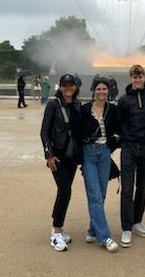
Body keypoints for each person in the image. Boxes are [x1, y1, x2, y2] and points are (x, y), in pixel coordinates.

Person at [40, 74, 82, 252]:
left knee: (64, 191)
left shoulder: (77, 104)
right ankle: (55, 231)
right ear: (60, 87)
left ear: (75, 87)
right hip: (57, 155)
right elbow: (44, 131)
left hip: (71, 155)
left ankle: (59, 228)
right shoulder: (53, 104)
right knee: (65, 190)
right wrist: (48, 155)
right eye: (65, 85)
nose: (68, 88)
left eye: (71, 85)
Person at [117, 64, 145, 247]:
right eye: (134, 77)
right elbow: (119, 123)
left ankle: (136, 220)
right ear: (131, 79)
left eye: (140, 76)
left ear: (144, 77)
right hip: (129, 148)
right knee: (127, 189)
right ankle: (126, 227)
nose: (138, 79)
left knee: (142, 187)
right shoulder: (124, 100)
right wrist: (125, 140)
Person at [81, 77, 119, 252]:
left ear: (108, 91)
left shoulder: (113, 110)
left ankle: (92, 229)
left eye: (105, 89)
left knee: (101, 194)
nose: (102, 92)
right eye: (99, 89)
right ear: (93, 90)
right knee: (95, 194)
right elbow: (75, 133)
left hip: (104, 154)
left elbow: (121, 129)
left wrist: (114, 144)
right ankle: (105, 237)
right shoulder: (84, 110)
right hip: (88, 154)